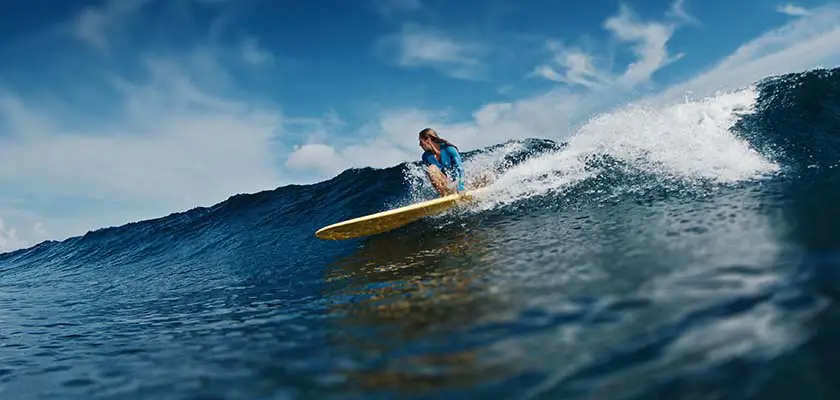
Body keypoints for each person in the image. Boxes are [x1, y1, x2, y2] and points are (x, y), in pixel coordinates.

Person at [418, 128, 466, 197]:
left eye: (421, 141)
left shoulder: (449, 149)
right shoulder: (426, 157)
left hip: (459, 183)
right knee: (432, 169)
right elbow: (433, 177)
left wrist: (461, 187)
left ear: (428, 139)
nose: (420, 145)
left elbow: (459, 168)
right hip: (447, 185)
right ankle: (444, 196)